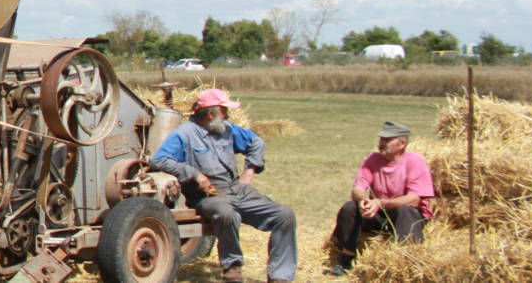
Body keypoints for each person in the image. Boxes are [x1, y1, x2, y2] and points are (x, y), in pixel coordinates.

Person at [151, 88, 297, 282]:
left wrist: (249, 170)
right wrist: (194, 174)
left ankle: (280, 276)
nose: (228, 114)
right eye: (224, 110)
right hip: (207, 196)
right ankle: (232, 267)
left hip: (236, 189)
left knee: (284, 215)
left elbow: (256, 142)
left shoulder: (227, 129)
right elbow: (159, 160)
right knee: (228, 214)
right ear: (211, 113)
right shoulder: (185, 133)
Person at [323, 121, 434, 276]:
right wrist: (364, 201)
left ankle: (405, 263)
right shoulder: (373, 159)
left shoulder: (415, 161)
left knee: (406, 210)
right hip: (380, 214)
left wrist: (380, 203)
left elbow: (414, 199)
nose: (382, 143)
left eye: (387, 140)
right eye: (381, 139)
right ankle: (346, 259)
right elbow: (357, 189)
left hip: (406, 215)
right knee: (350, 207)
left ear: (402, 143)